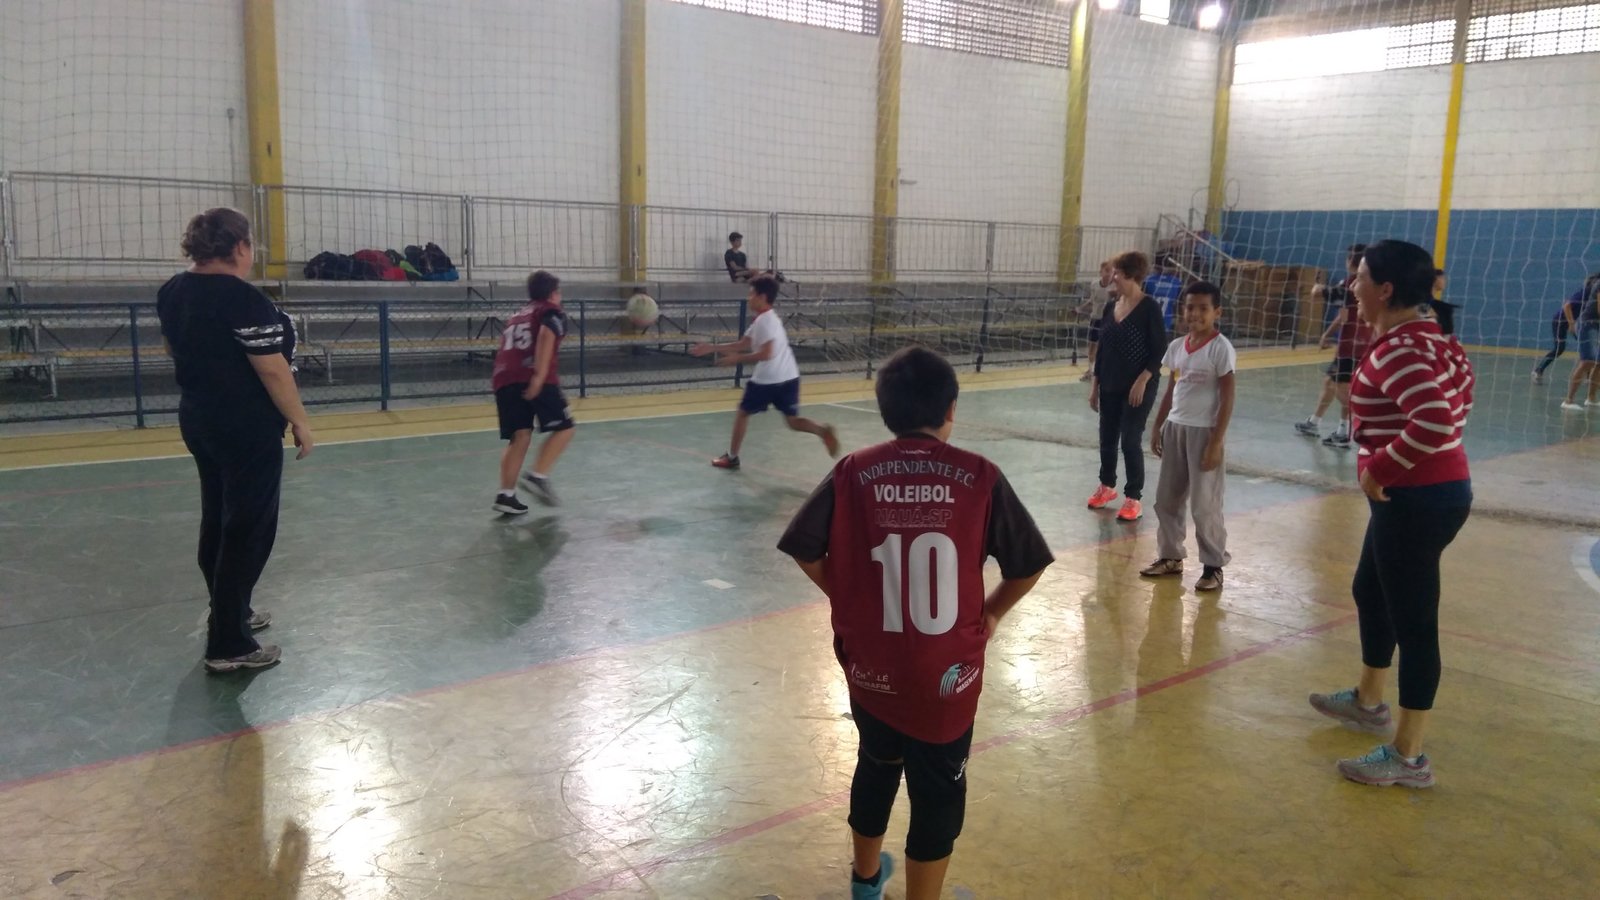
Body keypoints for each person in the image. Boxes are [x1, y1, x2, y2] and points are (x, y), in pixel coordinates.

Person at [777, 346, 1054, 900]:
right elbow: (1027, 564)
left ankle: (864, 882)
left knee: (876, 764)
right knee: (938, 793)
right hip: (944, 675)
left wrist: (853, 598)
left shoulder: (853, 471)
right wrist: (992, 612)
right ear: (951, 409)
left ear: (885, 411)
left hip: (872, 667)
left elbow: (804, 547)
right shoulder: (979, 475)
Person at [1308, 240, 1474, 788]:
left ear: (1384, 290)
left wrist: (1380, 468)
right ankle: (1368, 699)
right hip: (1426, 492)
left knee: (1415, 623)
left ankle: (1409, 756)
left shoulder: (1400, 350)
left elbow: (1436, 421)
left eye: (1358, 278)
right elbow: (1462, 400)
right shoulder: (1429, 338)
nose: (1350, 286)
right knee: (1370, 589)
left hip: (1417, 498)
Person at [157, 208, 313, 673]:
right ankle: (229, 643)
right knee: (248, 529)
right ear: (240, 247)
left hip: (199, 418)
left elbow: (171, 346)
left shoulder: (173, 290)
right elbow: (272, 369)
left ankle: (230, 609)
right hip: (245, 426)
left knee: (218, 518)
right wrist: (300, 421)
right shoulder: (242, 298)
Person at [1141, 281, 1236, 592]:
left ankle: (1213, 566)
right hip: (1175, 428)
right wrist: (1158, 426)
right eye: (1190, 307)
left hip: (1205, 432)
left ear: (1217, 312)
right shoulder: (1177, 347)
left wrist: (1216, 442)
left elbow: (1228, 397)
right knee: (1167, 499)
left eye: (1203, 308)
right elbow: (1172, 389)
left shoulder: (1221, 348)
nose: (1195, 313)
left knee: (1204, 504)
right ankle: (1170, 556)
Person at [691, 275, 839, 468]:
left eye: (751, 294)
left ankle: (732, 458)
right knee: (792, 421)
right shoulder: (768, 319)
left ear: (762, 297)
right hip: (790, 377)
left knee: (742, 413)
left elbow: (767, 354)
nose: (748, 298)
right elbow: (743, 344)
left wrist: (737, 359)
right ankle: (821, 430)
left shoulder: (765, 322)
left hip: (768, 380)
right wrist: (712, 348)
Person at [1088, 250, 1168, 522]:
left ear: (1132, 276)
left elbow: (1159, 350)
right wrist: (1095, 385)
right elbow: (1103, 350)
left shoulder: (1149, 308)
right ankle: (1106, 486)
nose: (1113, 278)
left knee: (1130, 439)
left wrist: (1143, 380)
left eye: (1118, 274)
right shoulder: (1111, 307)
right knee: (1107, 438)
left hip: (1138, 387)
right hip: (1109, 383)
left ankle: (1133, 497)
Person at [491, 270, 576, 513]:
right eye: (559, 292)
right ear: (553, 293)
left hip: (503, 378)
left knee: (519, 436)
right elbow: (546, 334)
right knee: (565, 428)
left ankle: (506, 495)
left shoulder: (517, 315)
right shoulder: (550, 311)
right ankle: (538, 475)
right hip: (532, 375)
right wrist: (538, 376)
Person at [1294, 243, 1369, 448]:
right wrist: (1327, 334)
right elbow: (1344, 315)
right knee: (1329, 382)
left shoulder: (1352, 283)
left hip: (1351, 347)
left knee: (1342, 388)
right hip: (1354, 345)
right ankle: (1315, 422)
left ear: (1350, 261)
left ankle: (1350, 429)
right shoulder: (1363, 284)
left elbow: (1317, 294)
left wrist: (1317, 287)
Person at [1531, 274, 1594, 384]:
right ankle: (1538, 370)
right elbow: (1567, 306)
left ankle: (1589, 377)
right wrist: (1571, 324)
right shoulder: (1585, 292)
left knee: (1586, 347)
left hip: (1573, 323)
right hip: (1559, 321)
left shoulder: (1594, 296)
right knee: (1559, 348)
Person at [1560, 273, 1600, 410]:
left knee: (1598, 363)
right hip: (1588, 324)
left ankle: (1591, 399)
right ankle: (1568, 401)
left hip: (1597, 325)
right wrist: (1571, 324)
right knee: (1587, 361)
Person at [1076, 259, 1115, 382]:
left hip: (1108, 321)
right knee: (1092, 346)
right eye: (1106, 270)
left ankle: (1103, 371)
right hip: (1095, 319)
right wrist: (1081, 308)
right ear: (1101, 272)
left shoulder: (1115, 287)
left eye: (1111, 271)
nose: (1109, 273)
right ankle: (1090, 370)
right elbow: (1092, 300)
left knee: (1105, 347)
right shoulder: (1094, 285)